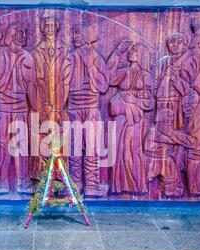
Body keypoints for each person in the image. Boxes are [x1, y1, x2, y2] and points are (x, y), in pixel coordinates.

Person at [0, 23, 39, 194]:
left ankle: (22, 182)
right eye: (20, 32)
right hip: (2, 108)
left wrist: (35, 107)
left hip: (18, 109)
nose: (23, 36)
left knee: (19, 146)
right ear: (11, 34)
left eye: (24, 33)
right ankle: (2, 182)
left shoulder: (26, 56)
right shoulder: (0, 52)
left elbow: (31, 84)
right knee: (2, 145)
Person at [67, 23, 109, 197]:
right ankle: (76, 185)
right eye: (74, 33)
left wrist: (91, 67)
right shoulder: (70, 57)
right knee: (76, 147)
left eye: (78, 33)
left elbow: (103, 85)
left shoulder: (96, 58)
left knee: (91, 147)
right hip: (75, 108)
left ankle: (90, 186)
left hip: (91, 107)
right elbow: (63, 84)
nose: (75, 36)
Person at [107, 40, 153, 194]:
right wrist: (117, 52)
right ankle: (119, 185)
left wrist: (133, 99)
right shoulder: (124, 71)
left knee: (132, 151)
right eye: (130, 51)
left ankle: (136, 185)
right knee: (119, 149)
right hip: (121, 116)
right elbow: (109, 78)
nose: (131, 53)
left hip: (136, 117)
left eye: (134, 51)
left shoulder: (146, 75)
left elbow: (150, 102)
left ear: (142, 55)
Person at [30, 14, 71, 180]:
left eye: (52, 25)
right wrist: (40, 107)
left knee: (60, 139)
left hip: (60, 104)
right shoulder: (35, 52)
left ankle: (61, 179)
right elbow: (32, 81)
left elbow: (66, 79)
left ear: (57, 28)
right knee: (41, 139)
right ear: (41, 28)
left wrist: (59, 106)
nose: (48, 28)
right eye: (45, 25)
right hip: (41, 104)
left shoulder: (66, 50)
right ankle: (42, 180)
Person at [144, 109, 184, 197]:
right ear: (162, 119)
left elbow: (172, 136)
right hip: (152, 159)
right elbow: (169, 139)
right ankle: (142, 188)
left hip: (163, 158)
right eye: (168, 119)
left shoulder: (163, 130)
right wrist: (182, 141)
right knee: (147, 177)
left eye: (171, 119)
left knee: (171, 170)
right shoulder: (153, 131)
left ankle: (170, 190)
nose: (170, 122)